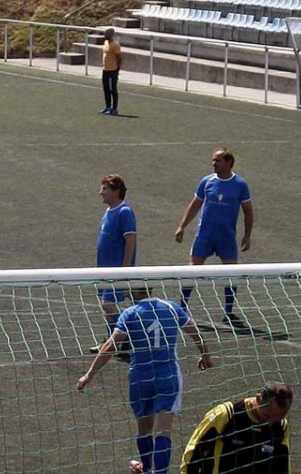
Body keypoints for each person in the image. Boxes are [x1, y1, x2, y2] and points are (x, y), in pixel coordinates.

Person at [77, 286, 214, 474]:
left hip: (140, 378)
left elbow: (111, 345)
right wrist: (205, 355)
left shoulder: (130, 313)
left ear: (133, 292)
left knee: (144, 429)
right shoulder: (171, 307)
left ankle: (148, 468)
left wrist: (89, 374)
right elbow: (194, 332)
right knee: (164, 431)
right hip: (168, 375)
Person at [175, 148, 253, 325]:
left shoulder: (240, 184)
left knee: (231, 273)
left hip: (226, 237)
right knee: (192, 270)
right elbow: (195, 205)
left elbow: (248, 212)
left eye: (217, 161)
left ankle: (228, 311)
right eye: (213, 160)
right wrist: (182, 226)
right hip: (205, 236)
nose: (213, 164)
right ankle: (182, 308)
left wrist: (247, 235)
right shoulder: (207, 181)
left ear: (228, 163)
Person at [181, 382, 293, 473]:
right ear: (258, 399)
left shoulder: (281, 427)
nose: (270, 423)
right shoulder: (226, 415)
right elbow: (193, 454)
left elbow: (282, 466)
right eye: (267, 416)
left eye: (278, 418)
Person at [90, 174, 138, 355]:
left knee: (108, 304)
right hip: (105, 269)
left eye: (105, 189)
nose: (100, 192)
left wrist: (124, 268)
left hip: (117, 270)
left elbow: (130, 240)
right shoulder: (109, 211)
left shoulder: (124, 212)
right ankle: (113, 340)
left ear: (116, 190)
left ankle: (124, 336)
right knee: (107, 305)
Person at [100, 28, 122, 116]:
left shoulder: (115, 45)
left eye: (107, 34)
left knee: (113, 89)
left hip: (113, 70)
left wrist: (117, 69)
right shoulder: (105, 43)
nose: (105, 35)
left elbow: (119, 58)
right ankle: (107, 107)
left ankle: (114, 108)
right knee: (106, 89)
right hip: (105, 69)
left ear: (111, 35)